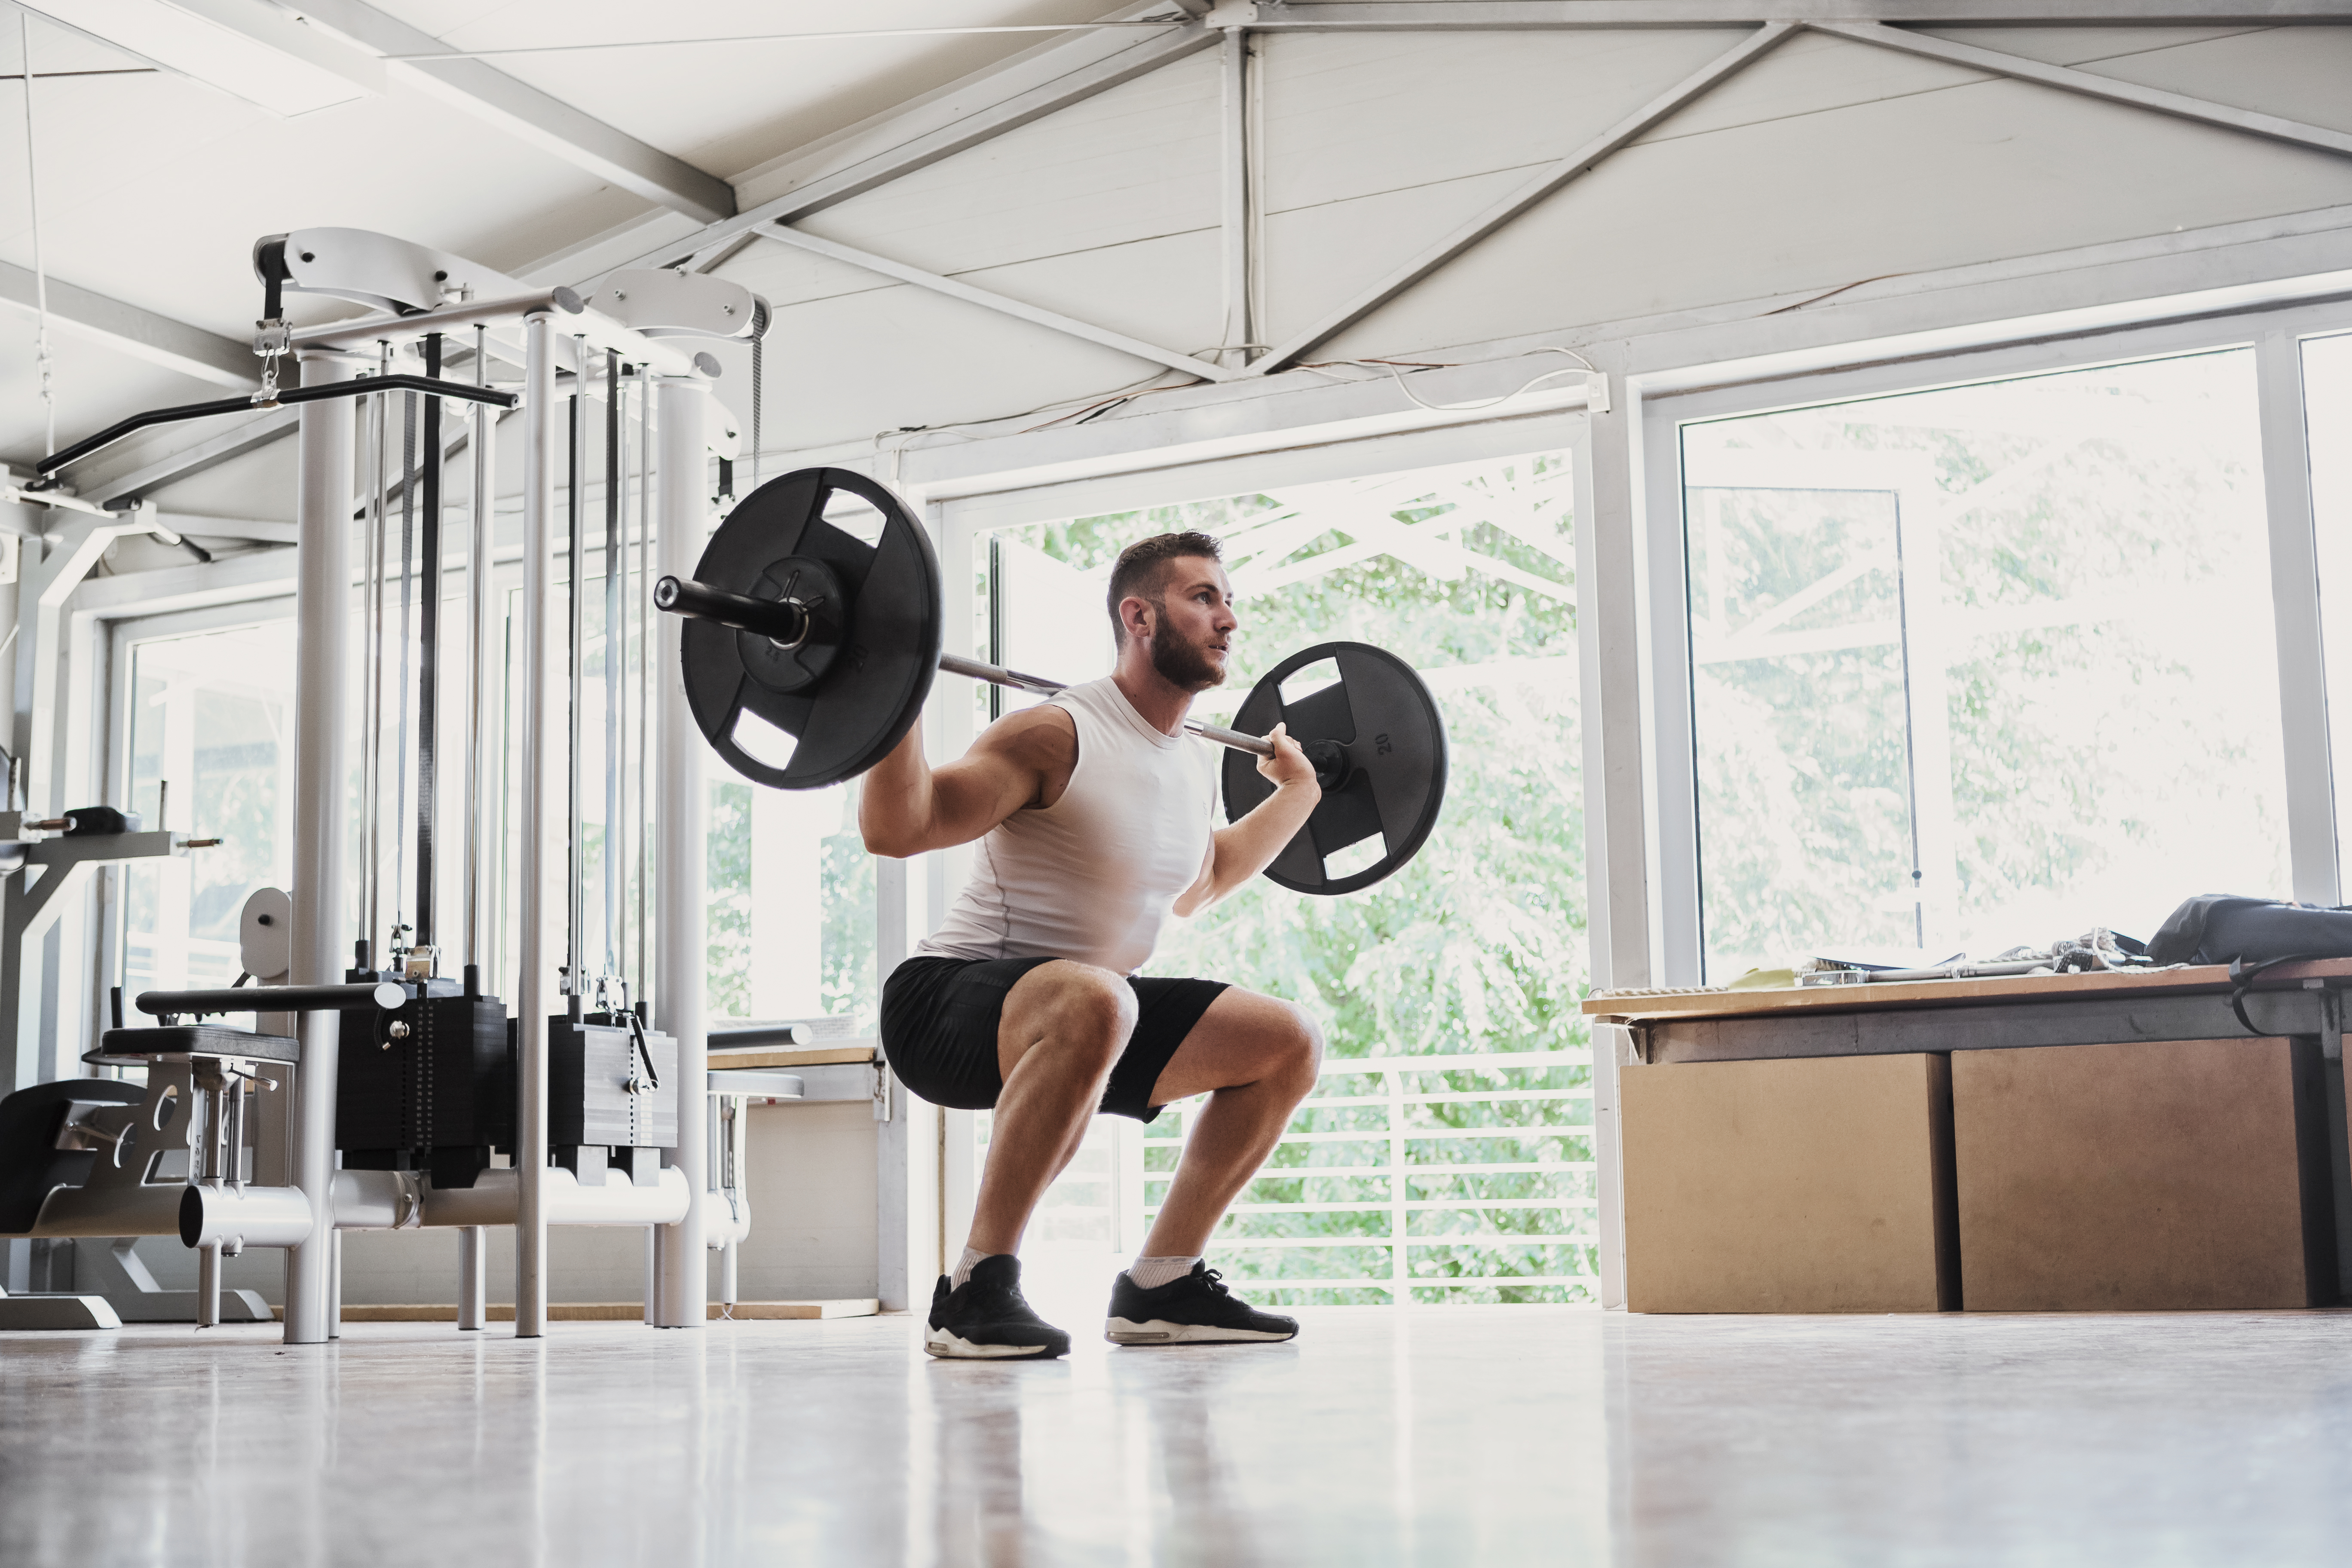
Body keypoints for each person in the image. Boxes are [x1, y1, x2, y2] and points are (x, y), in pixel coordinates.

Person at [861, 530, 1326, 1360]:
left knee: (1286, 1040)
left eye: (1228, 600)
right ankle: (974, 1288)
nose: (1228, 620)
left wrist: (1301, 793)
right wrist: (892, 693)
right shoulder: (1057, 732)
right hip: (946, 1004)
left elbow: (1205, 877)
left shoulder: (1185, 758)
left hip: (1088, 1013)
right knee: (1101, 996)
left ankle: (1162, 1285)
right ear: (1139, 615)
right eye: (1204, 598)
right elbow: (904, 826)